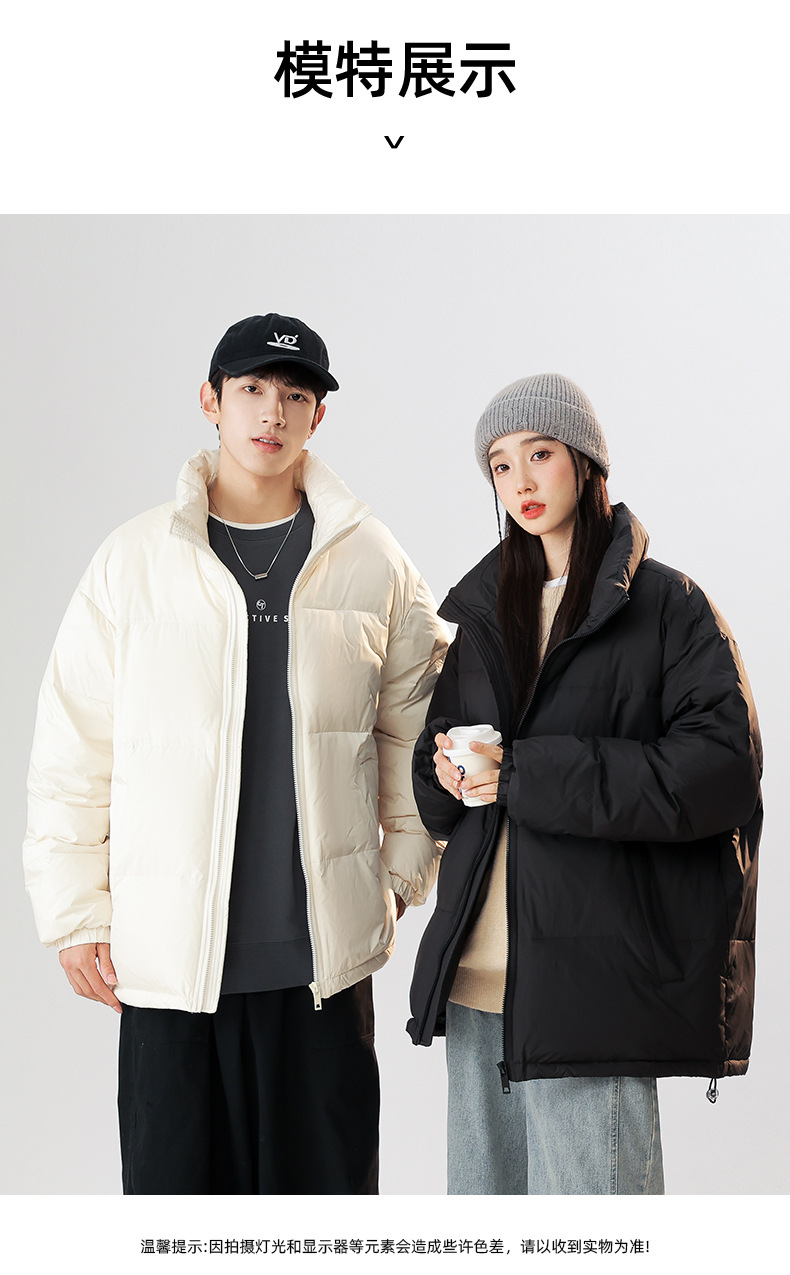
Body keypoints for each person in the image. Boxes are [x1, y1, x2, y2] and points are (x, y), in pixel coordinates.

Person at [23, 312, 447, 1195]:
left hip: (320, 970)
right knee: (178, 1228)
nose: (272, 413)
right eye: (251, 389)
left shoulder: (371, 559)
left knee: (319, 1230)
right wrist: (75, 912)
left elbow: (417, 729)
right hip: (170, 970)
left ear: (318, 416)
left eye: (295, 395)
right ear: (210, 401)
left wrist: (400, 878)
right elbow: (74, 744)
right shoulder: (135, 560)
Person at [407, 374, 762, 1195]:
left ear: (586, 461)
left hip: (594, 987)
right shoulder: (486, 611)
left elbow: (719, 773)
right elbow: (440, 763)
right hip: (477, 983)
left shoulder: (668, 607)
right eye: (501, 465)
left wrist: (528, 773)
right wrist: (444, 773)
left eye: (539, 453)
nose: (520, 481)